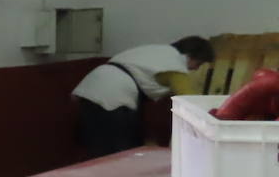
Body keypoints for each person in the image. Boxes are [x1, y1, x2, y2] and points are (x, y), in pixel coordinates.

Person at [71, 36, 215, 157]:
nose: (196, 68)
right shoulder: (175, 65)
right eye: (199, 63)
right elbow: (189, 99)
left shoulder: (155, 51)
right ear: (190, 56)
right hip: (115, 96)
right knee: (121, 153)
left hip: (90, 88)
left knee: (97, 153)